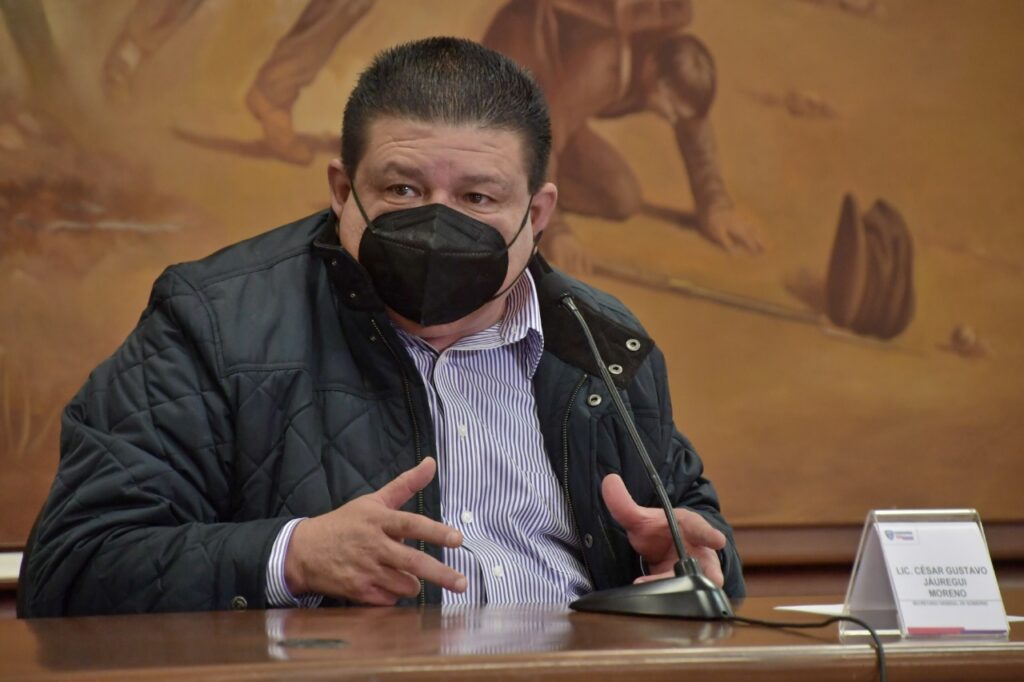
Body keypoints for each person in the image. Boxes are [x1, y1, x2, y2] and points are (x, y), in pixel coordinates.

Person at [18, 37, 744, 617]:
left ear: (538, 213)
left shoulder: (603, 343)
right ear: (343, 191)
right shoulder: (212, 321)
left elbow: (702, 546)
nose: (439, 222)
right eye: (403, 188)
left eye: (478, 197)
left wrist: (687, 563)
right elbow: (72, 568)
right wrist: (292, 556)